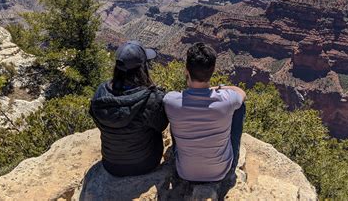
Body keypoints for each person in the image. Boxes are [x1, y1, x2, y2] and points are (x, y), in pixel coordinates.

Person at [163, 42, 246, 182]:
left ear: (186, 71)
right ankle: (233, 154)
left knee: (175, 116)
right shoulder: (227, 100)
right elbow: (241, 93)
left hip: (184, 172)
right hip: (221, 171)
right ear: (212, 70)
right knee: (240, 106)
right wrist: (219, 87)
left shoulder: (170, 100)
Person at [90, 40, 168, 177]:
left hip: (111, 165)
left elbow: (96, 118)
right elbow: (161, 125)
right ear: (142, 68)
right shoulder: (151, 98)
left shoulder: (100, 92)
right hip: (145, 164)